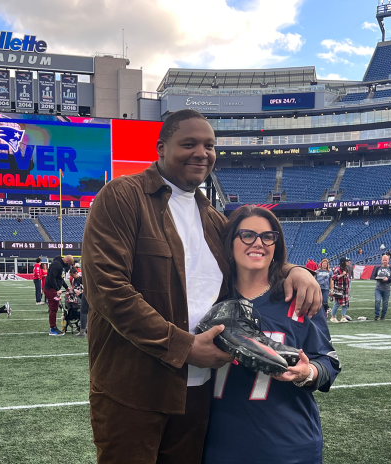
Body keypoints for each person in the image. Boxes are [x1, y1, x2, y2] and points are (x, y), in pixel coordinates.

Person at [81, 109, 322, 464]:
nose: (202, 153)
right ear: (162, 148)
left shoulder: (212, 217)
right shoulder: (122, 196)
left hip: (197, 393)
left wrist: (293, 269)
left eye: (209, 145)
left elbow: (250, 249)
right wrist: (185, 347)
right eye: (189, 143)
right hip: (133, 388)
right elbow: (107, 288)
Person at [203, 205, 341, 464]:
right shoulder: (208, 300)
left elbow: (329, 363)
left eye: (268, 237)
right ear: (230, 241)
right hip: (218, 446)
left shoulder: (298, 299)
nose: (258, 243)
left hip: (288, 447)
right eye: (247, 235)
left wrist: (306, 373)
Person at [44, 255, 74, 336]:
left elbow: (60, 278)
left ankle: (53, 327)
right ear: (67, 262)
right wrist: (57, 289)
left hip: (52, 288)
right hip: (51, 289)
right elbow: (51, 277)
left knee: (55, 308)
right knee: (53, 309)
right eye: (69, 264)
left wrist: (66, 287)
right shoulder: (57, 265)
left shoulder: (59, 264)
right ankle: (52, 328)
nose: (69, 266)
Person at [372, 254, 391, 321]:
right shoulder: (378, 268)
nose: (384, 261)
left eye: (386, 260)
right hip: (378, 288)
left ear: (388, 260)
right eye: (383, 260)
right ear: (381, 261)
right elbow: (373, 276)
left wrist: (388, 279)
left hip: (387, 288)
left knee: (385, 303)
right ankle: (377, 315)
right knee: (377, 301)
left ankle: (383, 315)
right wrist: (378, 278)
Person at [329, 257, 352, 323]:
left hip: (345, 289)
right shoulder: (338, 269)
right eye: (347, 261)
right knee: (337, 303)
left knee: (346, 304)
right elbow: (333, 277)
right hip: (339, 289)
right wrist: (341, 275)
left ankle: (343, 317)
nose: (348, 262)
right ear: (343, 262)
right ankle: (333, 316)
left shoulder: (346, 269)